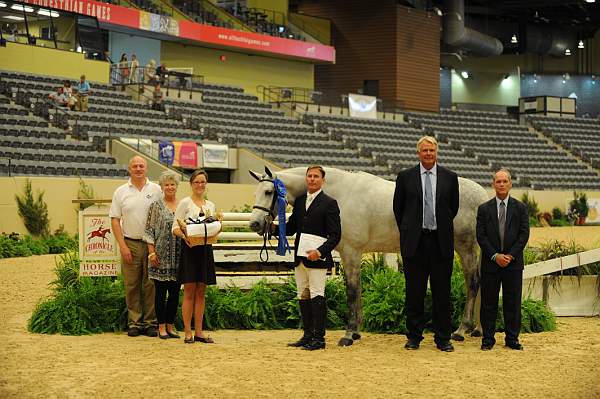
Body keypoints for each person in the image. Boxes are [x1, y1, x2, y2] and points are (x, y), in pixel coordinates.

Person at [393, 135, 459, 352]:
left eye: (432, 150)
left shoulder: (450, 177)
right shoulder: (405, 177)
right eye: (425, 150)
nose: (428, 153)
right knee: (415, 293)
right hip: (415, 243)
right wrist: (410, 232)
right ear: (418, 153)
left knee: (442, 293)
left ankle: (443, 338)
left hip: (440, 243)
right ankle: (413, 337)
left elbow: (453, 209)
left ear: (436, 152)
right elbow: (398, 210)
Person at [275, 165, 341, 350]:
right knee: (303, 295)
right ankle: (307, 334)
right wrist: (274, 229)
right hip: (300, 256)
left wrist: (320, 251)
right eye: (309, 176)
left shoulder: (329, 203)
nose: (312, 179)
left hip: (316, 258)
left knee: (317, 295)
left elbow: (335, 235)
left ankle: (319, 338)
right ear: (306, 179)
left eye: (316, 176)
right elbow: (291, 227)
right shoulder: (300, 200)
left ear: (322, 180)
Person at [477, 168, 529, 351]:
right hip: (491, 264)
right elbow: (481, 236)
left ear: (510, 184)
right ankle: (488, 339)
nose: (501, 184)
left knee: (512, 303)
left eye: (504, 181)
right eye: (498, 181)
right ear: (493, 184)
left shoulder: (521, 208)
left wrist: (510, 256)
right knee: (488, 303)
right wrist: (495, 256)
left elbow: (524, 235)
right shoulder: (484, 209)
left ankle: (512, 339)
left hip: (513, 264)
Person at [110, 156, 162, 337]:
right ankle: (134, 322)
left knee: (151, 284)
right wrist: (122, 246)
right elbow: (115, 220)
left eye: (141, 166)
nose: (138, 169)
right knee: (131, 284)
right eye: (135, 166)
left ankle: (150, 323)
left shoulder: (156, 189)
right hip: (130, 243)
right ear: (129, 169)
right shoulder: (121, 191)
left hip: (151, 244)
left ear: (146, 168)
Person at [172, 169, 218, 344]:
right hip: (190, 249)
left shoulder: (210, 205)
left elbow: (213, 227)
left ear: (206, 184)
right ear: (191, 184)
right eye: (196, 182)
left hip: (205, 249)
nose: (200, 185)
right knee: (190, 290)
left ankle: (199, 331)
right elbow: (175, 228)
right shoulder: (185, 203)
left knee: (201, 292)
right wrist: (185, 237)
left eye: (202, 182)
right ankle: (187, 331)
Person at [143, 171, 182, 340]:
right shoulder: (155, 206)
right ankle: (161, 327)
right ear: (161, 187)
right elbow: (149, 231)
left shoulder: (183, 205)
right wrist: (151, 252)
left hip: (179, 257)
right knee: (160, 293)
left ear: (177, 186)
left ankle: (170, 325)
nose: (170, 187)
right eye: (166, 184)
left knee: (174, 293)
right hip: (160, 256)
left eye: (172, 184)